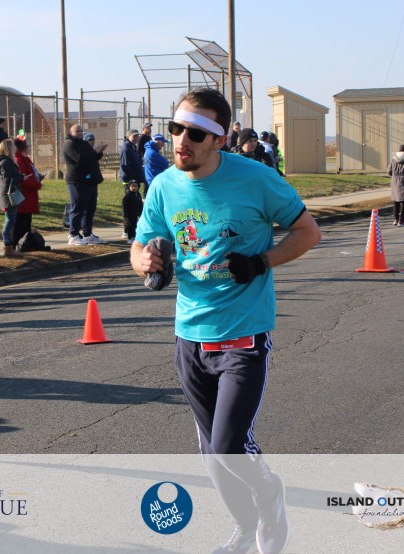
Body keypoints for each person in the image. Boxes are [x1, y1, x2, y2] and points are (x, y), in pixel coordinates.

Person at [130, 88, 321, 554]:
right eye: (176, 129)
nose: (182, 140)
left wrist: (261, 261)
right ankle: (243, 527)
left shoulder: (256, 179)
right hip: (189, 336)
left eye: (195, 133)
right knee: (212, 455)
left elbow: (308, 231)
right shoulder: (164, 187)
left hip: (243, 334)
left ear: (219, 140)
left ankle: (270, 494)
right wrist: (146, 262)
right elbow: (139, 246)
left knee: (229, 445)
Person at [63, 123, 106, 246]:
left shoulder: (83, 143)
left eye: (81, 131)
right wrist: (95, 150)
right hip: (77, 181)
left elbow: (92, 157)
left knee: (90, 208)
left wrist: (99, 152)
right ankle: (73, 235)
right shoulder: (69, 144)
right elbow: (80, 159)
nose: (80, 133)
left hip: (90, 180)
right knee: (78, 207)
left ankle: (87, 234)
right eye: (77, 131)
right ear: (71, 132)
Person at [0, 139, 25, 258]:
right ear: (8, 148)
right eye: (13, 146)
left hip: (10, 194)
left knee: (12, 220)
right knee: (10, 220)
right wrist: (21, 177)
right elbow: (6, 181)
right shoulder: (5, 163)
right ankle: (7, 246)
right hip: (8, 195)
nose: (15, 148)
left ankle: (9, 246)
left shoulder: (8, 161)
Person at [13, 137, 42, 248]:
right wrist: (37, 185)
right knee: (21, 223)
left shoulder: (26, 159)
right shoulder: (19, 160)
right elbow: (23, 179)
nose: (29, 148)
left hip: (29, 197)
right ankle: (18, 244)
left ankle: (26, 244)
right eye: (28, 146)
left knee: (26, 223)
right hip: (24, 197)